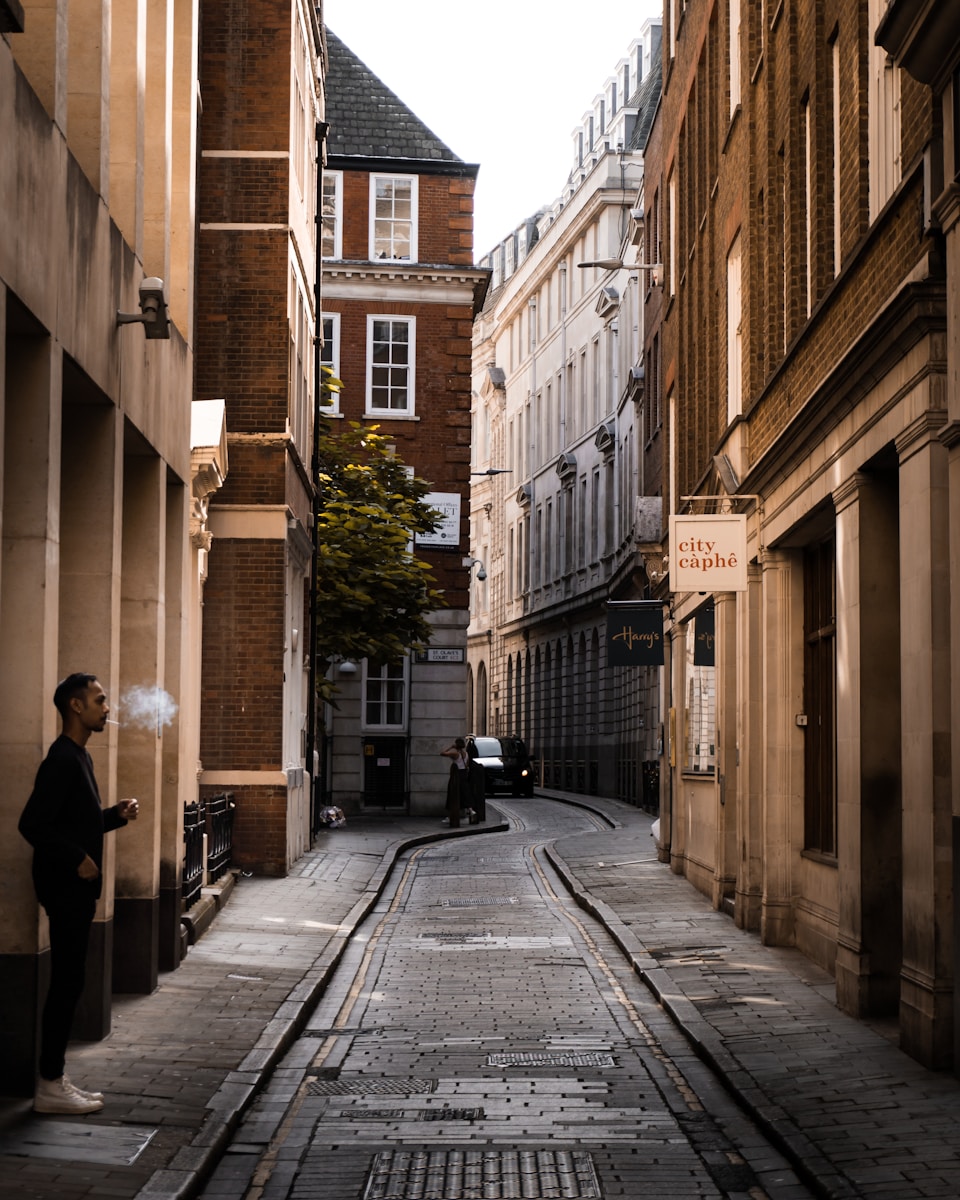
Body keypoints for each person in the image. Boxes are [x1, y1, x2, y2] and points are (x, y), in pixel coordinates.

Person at [19, 673, 139, 1115]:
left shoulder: (80, 758)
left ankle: (55, 1077)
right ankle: (50, 1085)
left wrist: (114, 816)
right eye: (100, 700)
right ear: (76, 706)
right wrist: (76, 858)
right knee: (67, 984)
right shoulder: (62, 759)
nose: (107, 708)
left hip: (74, 888)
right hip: (65, 887)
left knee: (71, 982)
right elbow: (32, 824)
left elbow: (75, 823)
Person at [440, 737, 471, 827]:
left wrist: (450, 747)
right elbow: (467, 765)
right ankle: (470, 810)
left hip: (456, 776)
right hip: (464, 775)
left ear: (456, 745)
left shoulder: (455, 753)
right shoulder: (466, 754)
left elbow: (442, 753)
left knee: (453, 795)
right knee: (464, 793)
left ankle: (451, 816)